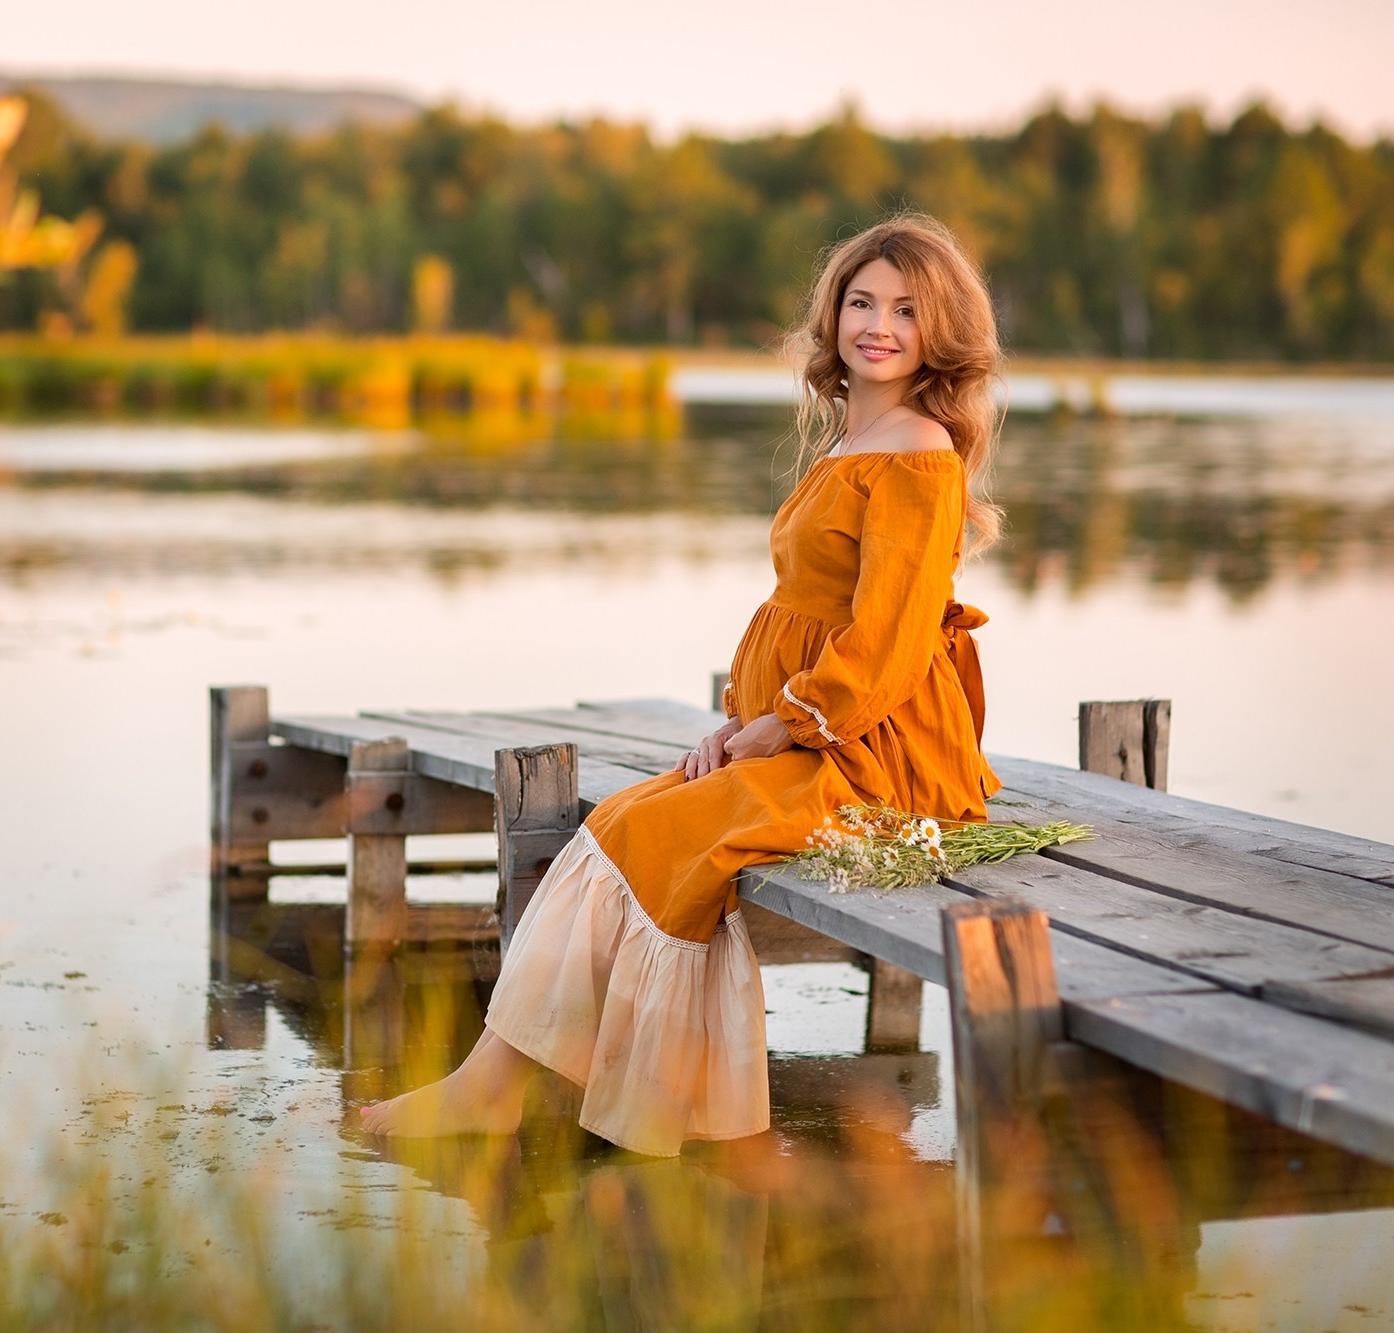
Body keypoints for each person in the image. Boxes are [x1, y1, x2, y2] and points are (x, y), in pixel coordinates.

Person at [361, 213, 1003, 1154]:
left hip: (878, 758)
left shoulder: (916, 452)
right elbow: (802, 615)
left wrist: (784, 727)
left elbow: (891, 639)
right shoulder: (854, 435)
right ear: (833, 316)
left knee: (662, 835)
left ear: (938, 330)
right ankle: (492, 1082)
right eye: (861, 301)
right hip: (807, 729)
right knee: (616, 823)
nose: (879, 324)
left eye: (906, 310)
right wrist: (740, 724)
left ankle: (625, 1103)